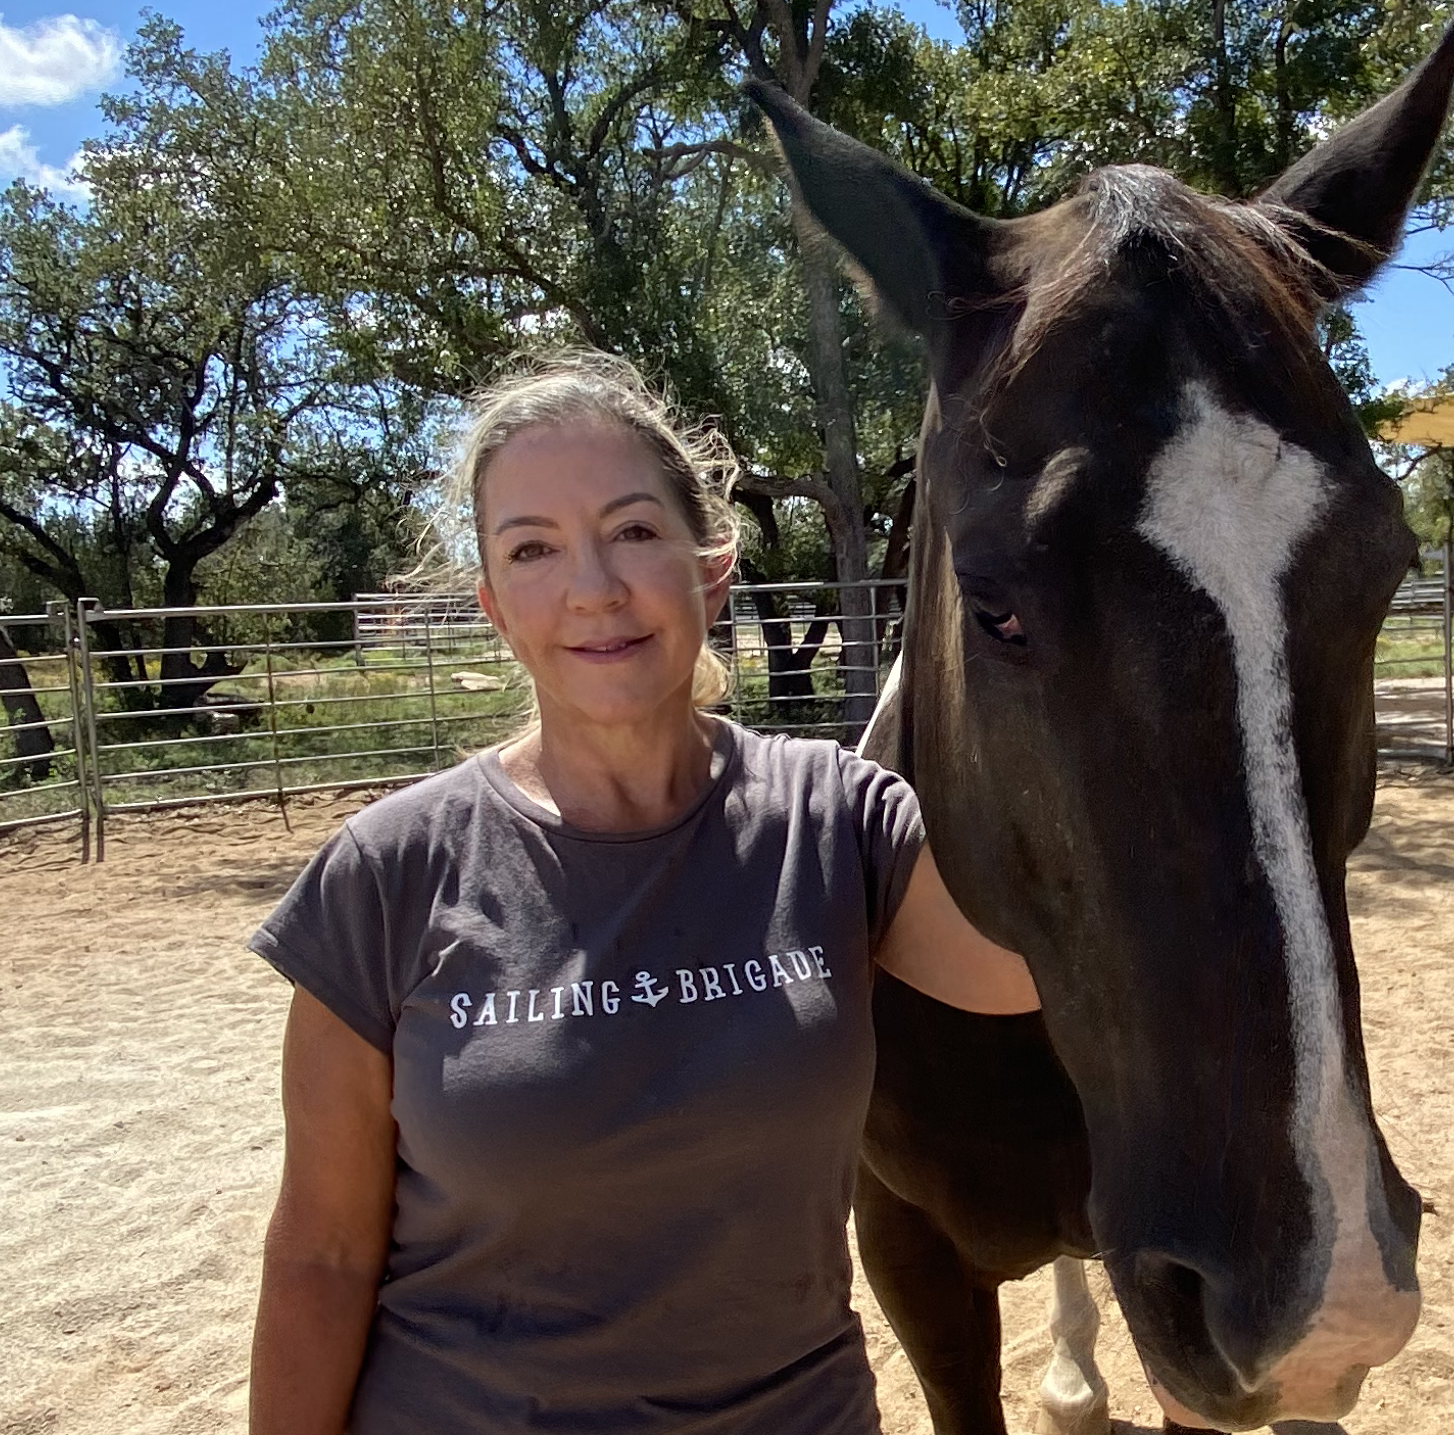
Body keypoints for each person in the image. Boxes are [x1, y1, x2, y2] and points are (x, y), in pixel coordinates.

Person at [247, 352, 1038, 1435]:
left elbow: (1039, 973)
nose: (594, 588)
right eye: (532, 548)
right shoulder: (388, 873)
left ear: (710, 568)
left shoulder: (837, 820)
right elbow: (322, 1251)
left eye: (630, 530)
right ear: (493, 606)